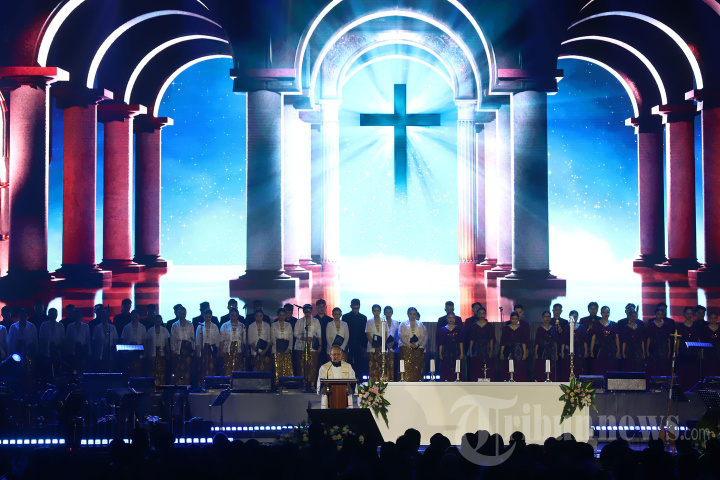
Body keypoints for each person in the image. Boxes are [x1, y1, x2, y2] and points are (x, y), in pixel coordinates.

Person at [295, 304, 322, 389]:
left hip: (313, 346)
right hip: (301, 345)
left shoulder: (316, 321)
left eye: (309, 312)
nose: (308, 314)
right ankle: (303, 383)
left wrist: (320, 345)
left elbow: (319, 334)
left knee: (313, 364)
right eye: (306, 312)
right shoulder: (300, 321)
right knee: (302, 365)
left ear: (311, 312)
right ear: (303, 312)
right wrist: (304, 338)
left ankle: (312, 384)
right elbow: (295, 333)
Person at [676, 306, 702, 391]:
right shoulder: (680, 326)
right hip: (683, 351)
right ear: (684, 314)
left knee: (693, 370)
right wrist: (677, 350)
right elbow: (678, 339)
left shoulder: (696, 326)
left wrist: (700, 351)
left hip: (693, 351)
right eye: (687, 313)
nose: (689, 315)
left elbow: (698, 339)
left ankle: (693, 389)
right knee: (683, 370)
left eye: (691, 313)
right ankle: (683, 388)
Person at [590, 306, 620, 376]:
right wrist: (591, 350)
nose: (606, 314)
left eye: (607, 312)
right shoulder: (596, 324)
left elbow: (616, 338)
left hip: (611, 350)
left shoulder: (614, 324)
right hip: (600, 350)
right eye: (604, 312)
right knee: (600, 368)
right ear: (601, 313)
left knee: (611, 368)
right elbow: (593, 338)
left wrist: (618, 350)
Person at [399, 307, 426, 382]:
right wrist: (409, 344)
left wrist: (416, 344)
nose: (412, 316)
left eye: (414, 314)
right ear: (408, 314)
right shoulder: (403, 324)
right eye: (411, 314)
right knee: (406, 367)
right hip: (405, 348)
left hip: (417, 349)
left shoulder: (420, 324)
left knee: (416, 368)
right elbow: (401, 335)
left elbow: (422, 335)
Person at [467, 306, 494, 381]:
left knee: (487, 366)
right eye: (480, 313)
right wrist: (470, 350)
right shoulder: (474, 326)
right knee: (477, 366)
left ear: (485, 314)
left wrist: (491, 350)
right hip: (477, 348)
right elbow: (472, 339)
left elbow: (491, 339)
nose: (482, 315)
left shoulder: (489, 326)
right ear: (477, 314)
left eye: (483, 313)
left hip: (486, 348)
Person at [500, 311, 529, 381]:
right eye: (513, 319)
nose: (514, 320)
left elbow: (523, 342)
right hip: (508, 350)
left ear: (518, 319)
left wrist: (524, 352)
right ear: (510, 319)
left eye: (516, 319)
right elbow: (503, 341)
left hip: (519, 350)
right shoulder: (506, 328)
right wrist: (501, 352)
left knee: (519, 367)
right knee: (508, 366)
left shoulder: (521, 328)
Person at [559, 310, 588, 379]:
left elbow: (584, 340)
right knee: (568, 366)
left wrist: (586, 351)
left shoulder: (581, 327)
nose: (574, 319)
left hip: (579, 350)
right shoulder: (566, 327)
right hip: (569, 349)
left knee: (579, 367)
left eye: (575, 317)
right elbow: (563, 340)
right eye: (572, 317)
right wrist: (562, 352)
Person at [343, 299, 368, 378]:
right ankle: (349, 381)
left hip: (360, 345)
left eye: (357, 308)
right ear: (351, 306)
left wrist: (364, 347)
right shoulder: (345, 317)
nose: (355, 310)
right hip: (348, 345)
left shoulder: (363, 318)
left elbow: (365, 333)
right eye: (354, 308)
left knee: (360, 364)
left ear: (359, 307)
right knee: (348, 364)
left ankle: (359, 381)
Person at [170, 307, 194, 385]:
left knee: (187, 370)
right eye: (180, 313)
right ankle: (178, 387)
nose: (182, 315)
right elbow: (172, 339)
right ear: (178, 314)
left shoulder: (190, 324)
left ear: (186, 314)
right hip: (178, 350)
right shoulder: (174, 325)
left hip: (187, 351)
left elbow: (193, 338)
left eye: (183, 313)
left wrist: (193, 349)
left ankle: (186, 386)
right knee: (178, 369)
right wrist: (173, 350)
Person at [646, 306, 672, 378]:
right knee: (654, 368)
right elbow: (648, 338)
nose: (660, 316)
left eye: (661, 314)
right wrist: (647, 350)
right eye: (658, 314)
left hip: (663, 349)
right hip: (653, 349)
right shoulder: (651, 325)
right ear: (655, 315)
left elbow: (668, 339)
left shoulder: (666, 325)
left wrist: (669, 350)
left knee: (663, 367)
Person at [437, 312, 464, 381]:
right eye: (449, 317)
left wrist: (461, 353)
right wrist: (440, 353)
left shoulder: (458, 328)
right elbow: (441, 343)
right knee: (446, 368)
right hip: (446, 352)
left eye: (452, 318)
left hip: (456, 351)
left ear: (455, 319)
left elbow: (461, 341)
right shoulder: (443, 329)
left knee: (456, 368)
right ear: (446, 318)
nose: (451, 319)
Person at [196, 308, 220, 383]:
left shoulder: (215, 327)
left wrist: (217, 351)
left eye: (209, 317)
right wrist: (198, 351)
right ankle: (202, 384)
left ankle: (211, 384)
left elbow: (217, 340)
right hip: (203, 349)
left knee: (212, 367)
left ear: (211, 317)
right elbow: (198, 340)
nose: (208, 318)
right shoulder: (200, 327)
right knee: (202, 368)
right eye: (206, 317)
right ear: (204, 316)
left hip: (212, 350)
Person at [220, 307, 246, 375]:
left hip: (238, 350)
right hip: (227, 350)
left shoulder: (242, 325)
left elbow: (244, 340)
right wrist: (221, 351)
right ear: (229, 316)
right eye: (232, 315)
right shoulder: (225, 325)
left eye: (235, 315)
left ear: (238, 316)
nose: (234, 317)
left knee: (238, 368)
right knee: (227, 369)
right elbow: (222, 339)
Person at [271, 308, 294, 384]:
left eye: (283, 315)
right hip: (276, 349)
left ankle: (286, 384)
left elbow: (291, 338)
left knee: (286, 368)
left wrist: (289, 348)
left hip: (286, 349)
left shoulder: (288, 325)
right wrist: (278, 349)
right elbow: (273, 337)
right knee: (277, 368)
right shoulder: (274, 325)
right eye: (280, 315)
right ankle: (277, 384)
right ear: (278, 316)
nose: (282, 317)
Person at [121, 310, 147, 377]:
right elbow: (123, 340)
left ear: (139, 317)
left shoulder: (142, 327)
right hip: (129, 350)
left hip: (139, 350)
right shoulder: (126, 327)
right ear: (131, 316)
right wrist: (124, 352)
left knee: (138, 368)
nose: (135, 318)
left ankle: (138, 382)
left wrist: (145, 352)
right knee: (129, 369)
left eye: (136, 316)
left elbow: (144, 340)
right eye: (133, 316)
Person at [145, 315, 169, 386]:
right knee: (153, 371)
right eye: (156, 321)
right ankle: (153, 387)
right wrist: (148, 353)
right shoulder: (150, 331)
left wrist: (169, 353)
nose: (158, 323)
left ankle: (161, 387)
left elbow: (166, 343)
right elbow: (148, 343)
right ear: (154, 321)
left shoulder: (164, 330)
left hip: (162, 354)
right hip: (153, 353)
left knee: (162, 371)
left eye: (159, 321)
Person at [534, 311, 558, 382]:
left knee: (551, 367)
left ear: (550, 318)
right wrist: (536, 353)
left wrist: (556, 353)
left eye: (548, 316)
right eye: (545, 316)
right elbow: (537, 342)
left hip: (551, 351)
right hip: (542, 350)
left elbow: (555, 342)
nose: (547, 318)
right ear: (542, 317)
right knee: (541, 367)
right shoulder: (540, 329)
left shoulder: (553, 329)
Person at [367, 304, 388, 381]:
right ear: (372, 311)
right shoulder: (369, 321)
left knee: (381, 367)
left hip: (381, 348)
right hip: (372, 348)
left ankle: (381, 382)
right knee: (372, 367)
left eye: (378, 311)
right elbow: (368, 334)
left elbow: (385, 334)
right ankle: (373, 384)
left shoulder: (384, 321)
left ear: (380, 311)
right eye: (375, 311)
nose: (376, 312)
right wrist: (374, 344)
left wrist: (382, 345)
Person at [65, 310, 91, 374]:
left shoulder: (85, 326)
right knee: (73, 366)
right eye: (76, 315)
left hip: (83, 349)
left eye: (79, 315)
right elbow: (68, 339)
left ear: (81, 316)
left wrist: (89, 350)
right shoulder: (70, 326)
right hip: (73, 349)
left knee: (82, 366)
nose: (78, 316)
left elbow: (88, 339)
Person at [702, 311, 720, 377]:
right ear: (709, 318)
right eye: (712, 318)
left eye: (715, 318)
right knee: (709, 367)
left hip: (718, 351)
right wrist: (702, 353)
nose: (713, 320)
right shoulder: (705, 328)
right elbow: (703, 341)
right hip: (708, 351)